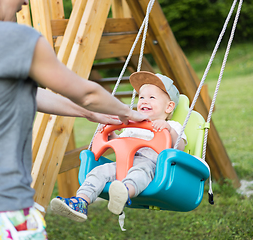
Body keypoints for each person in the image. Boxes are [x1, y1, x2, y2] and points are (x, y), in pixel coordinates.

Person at [0, 0, 149, 239]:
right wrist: (127, 112)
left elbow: (27, 92)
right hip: (0, 212)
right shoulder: (15, 38)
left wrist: (88, 113)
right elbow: (87, 94)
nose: (25, 2)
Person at [50, 71, 187, 222]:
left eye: (151, 97)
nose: (144, 101)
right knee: (98, 171)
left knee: (139, 172)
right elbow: (120, 143)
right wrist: (111, 136)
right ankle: (81, 202)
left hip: (152, 167)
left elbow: (178, 147)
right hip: (122, 165)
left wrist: (168, 129)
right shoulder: (133, 125)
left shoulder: (173, 126)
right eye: (141, 97)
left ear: (169, 107)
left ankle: (125, 192)